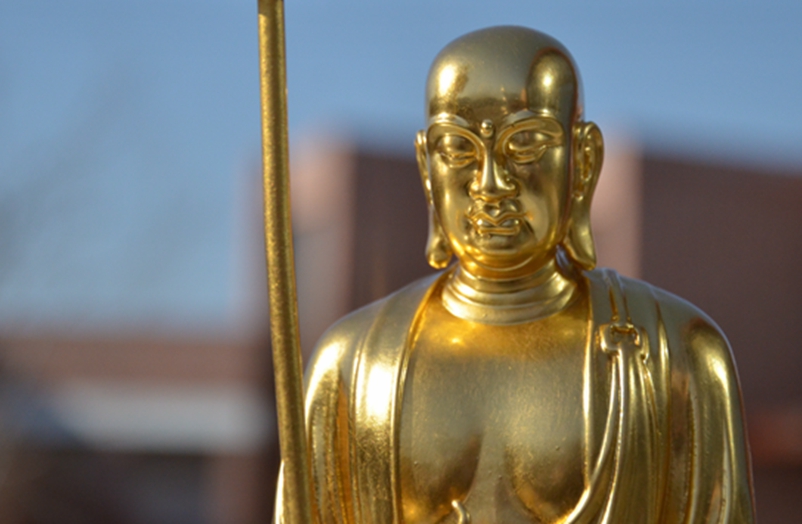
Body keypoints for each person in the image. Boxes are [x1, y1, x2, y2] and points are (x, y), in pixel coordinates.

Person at [284, 25, 753, 524]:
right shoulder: (354, 366)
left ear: (584, 161)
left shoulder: (674, 355)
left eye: (525, 144)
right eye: (458, 149)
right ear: (426, 167)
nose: (490, 183)